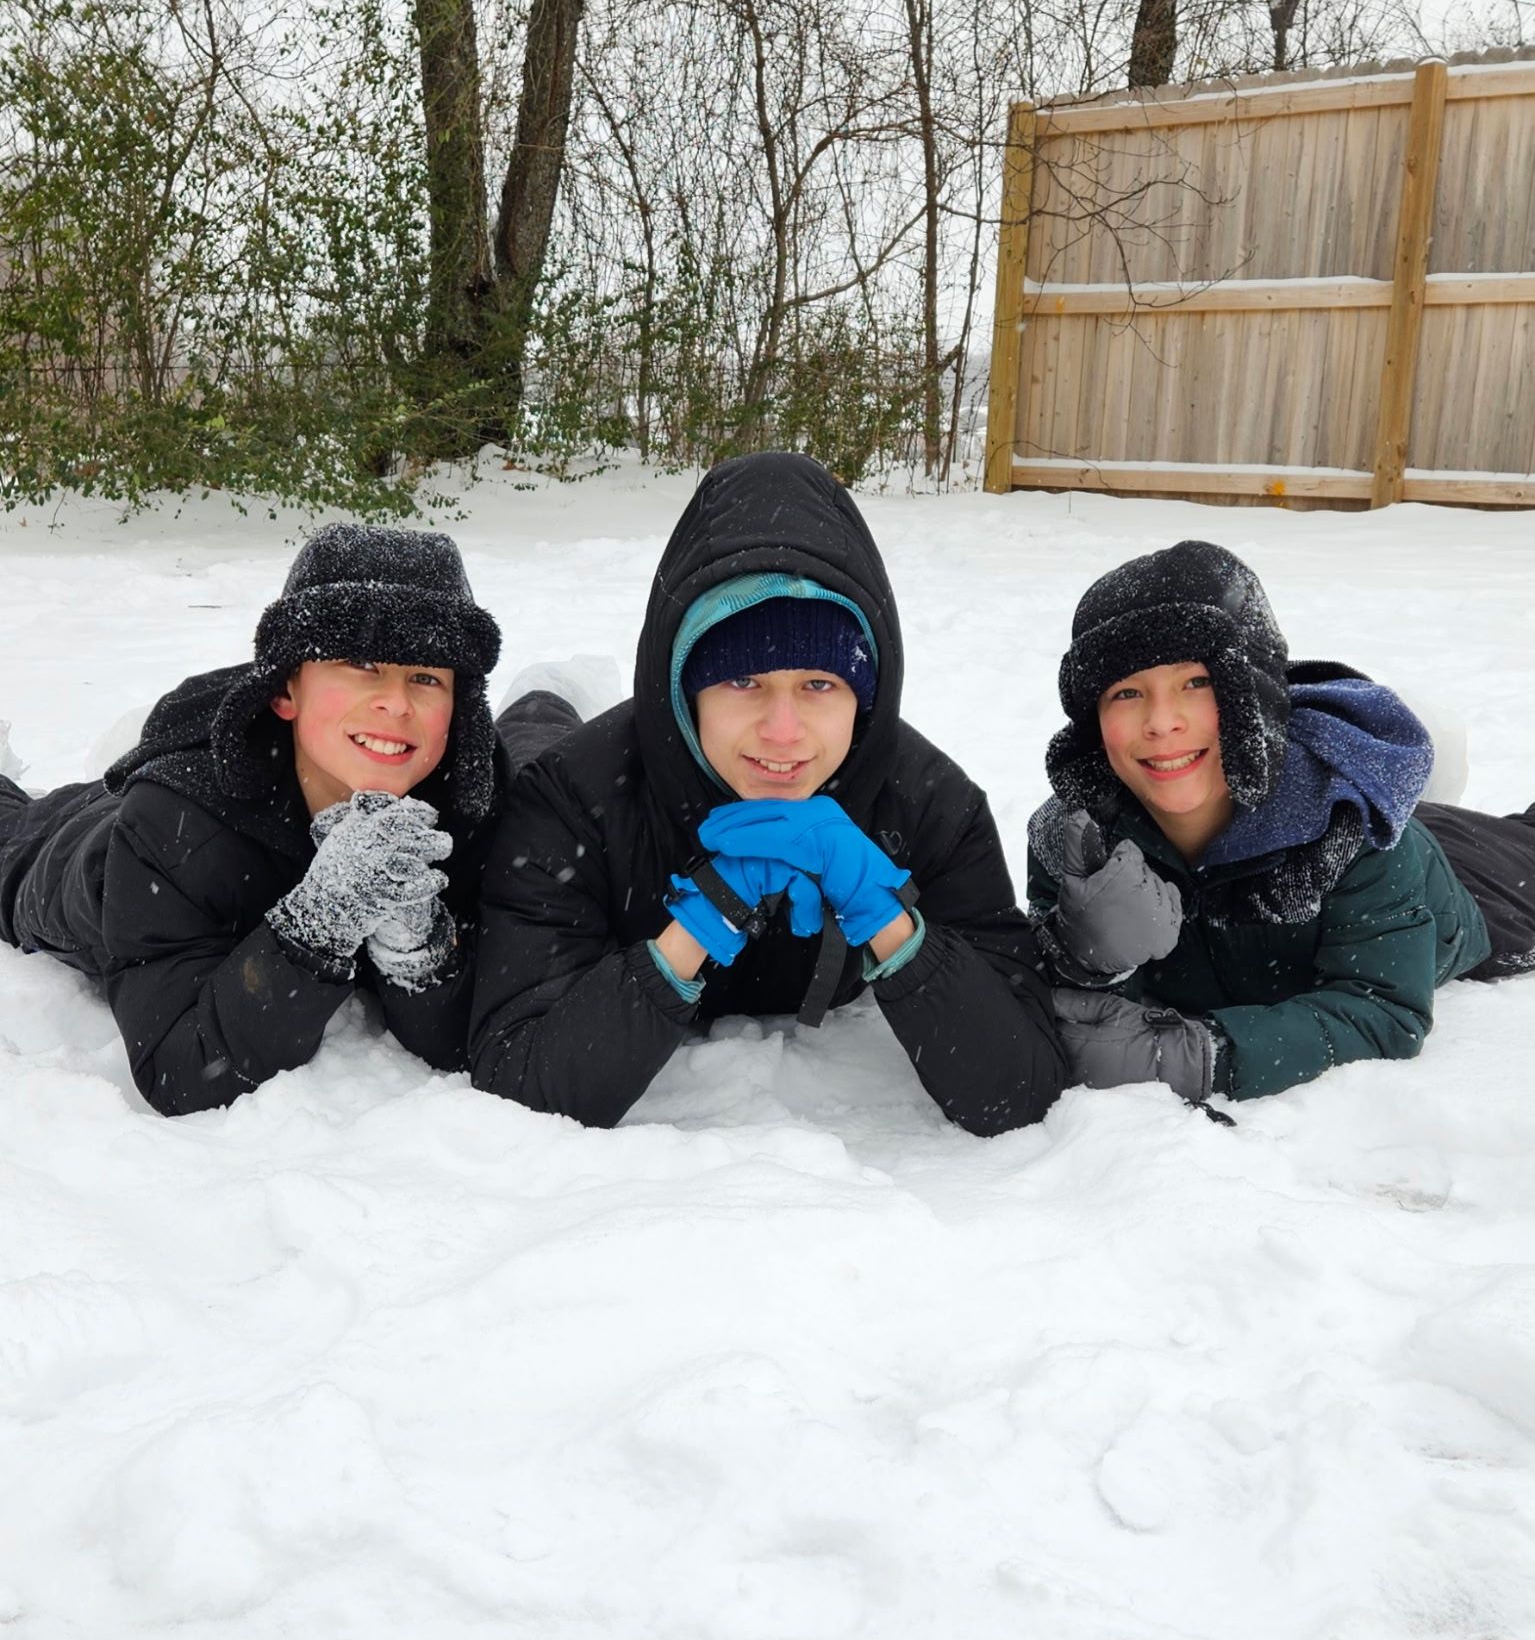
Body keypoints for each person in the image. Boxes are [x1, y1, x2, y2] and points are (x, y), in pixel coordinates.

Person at [469, 449, 1066, 1135]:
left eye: (818, 685)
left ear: (862, 700)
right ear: (683, 690)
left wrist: (889, 918)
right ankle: (552, 686)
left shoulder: (930, 805)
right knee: (529, 735)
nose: (782, 732)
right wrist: (698, 921)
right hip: (590, 756)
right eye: (741, 681)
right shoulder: (570, 797)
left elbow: (1020, 1089)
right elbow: (519, 1075)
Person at [0, 525, 578, 1116]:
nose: (398, 703)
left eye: (427, 678)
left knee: (553, 760)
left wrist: (422, 945)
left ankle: (547, 693)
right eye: (361, 664)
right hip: (87, 855)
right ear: (284, 692)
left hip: (292, 762)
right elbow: (182, 1069)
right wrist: (323, 920)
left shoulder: (475, 801)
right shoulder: (177, 829)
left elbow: (473, 1031)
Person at [1027, 539, 1535, 1106]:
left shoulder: (1345, 824)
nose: (1162, 722)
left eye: (1196, 682)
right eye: (1126, 692)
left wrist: (1206, 1057)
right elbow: (1055, 992)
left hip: (1460, 884)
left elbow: (1384, 1009)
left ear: (1250, 692)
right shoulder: (1075, 838)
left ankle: (1418, 777)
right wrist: (1086, 954)